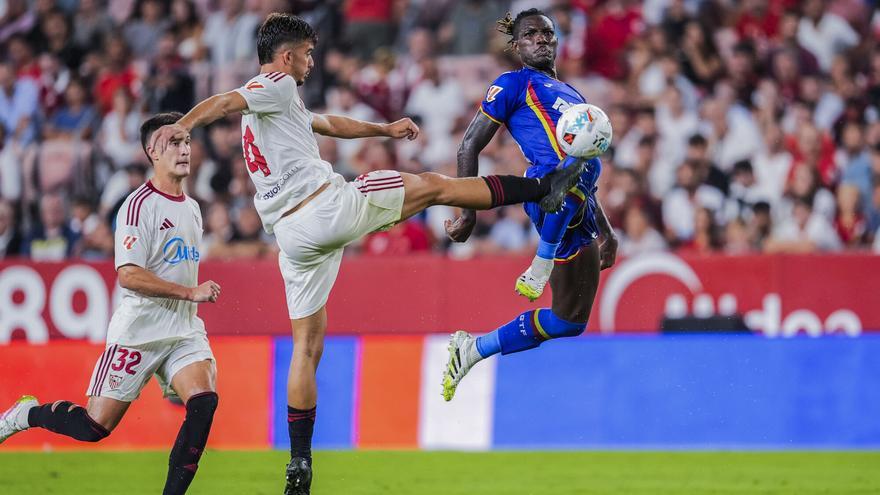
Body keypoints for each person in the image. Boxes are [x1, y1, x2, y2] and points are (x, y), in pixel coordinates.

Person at [147, 13, 584, 495]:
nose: (312, 62)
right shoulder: (270, 81)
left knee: (306, 346)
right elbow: (225, 100)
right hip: (324, 207)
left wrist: (383, 129)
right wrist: (181, 127)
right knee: (435, 187)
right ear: (287, 56)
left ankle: (298, 461)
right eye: (307, 54)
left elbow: (327, 123)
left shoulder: (279, 103)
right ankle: (542, 187)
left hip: (291, 238)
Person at [0, 113, 222, 495]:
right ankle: (26, 413)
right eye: (174, 142)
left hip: (183, 329)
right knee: (94, 427)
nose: (184, 149)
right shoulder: (138, 207)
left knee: (204, 403)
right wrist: (189, 292)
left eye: (187, 141)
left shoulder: (192, 207)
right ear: (152, 151)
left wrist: (188, 302)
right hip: (139, 331)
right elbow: (129, 276)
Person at [441, 8, 619, 401]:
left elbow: (583, 161)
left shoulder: (574, 96)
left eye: (547, 33)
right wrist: (467, 212)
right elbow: (469, 145)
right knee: (576, 165)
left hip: (577, 204)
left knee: (570, 321)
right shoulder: (512, 84)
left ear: (556, 41)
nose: (541, 39)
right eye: (530, 34)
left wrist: (606, 230)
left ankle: (473, 349)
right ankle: (540, 263)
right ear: (517, 45)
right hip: (543, 192)